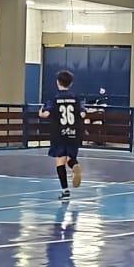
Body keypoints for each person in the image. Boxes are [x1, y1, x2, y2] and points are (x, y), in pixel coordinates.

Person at [38, 70, 84, 199]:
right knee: (70, 157)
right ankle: (75, 165)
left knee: (60, 160)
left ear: (58, 82)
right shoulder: (76, 98)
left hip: (58, 132)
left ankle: (65, 191)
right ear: (71, 83)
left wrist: (41, 111)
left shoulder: (54, 98)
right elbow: (82, 114)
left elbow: (45, 114)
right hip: (73, 132)